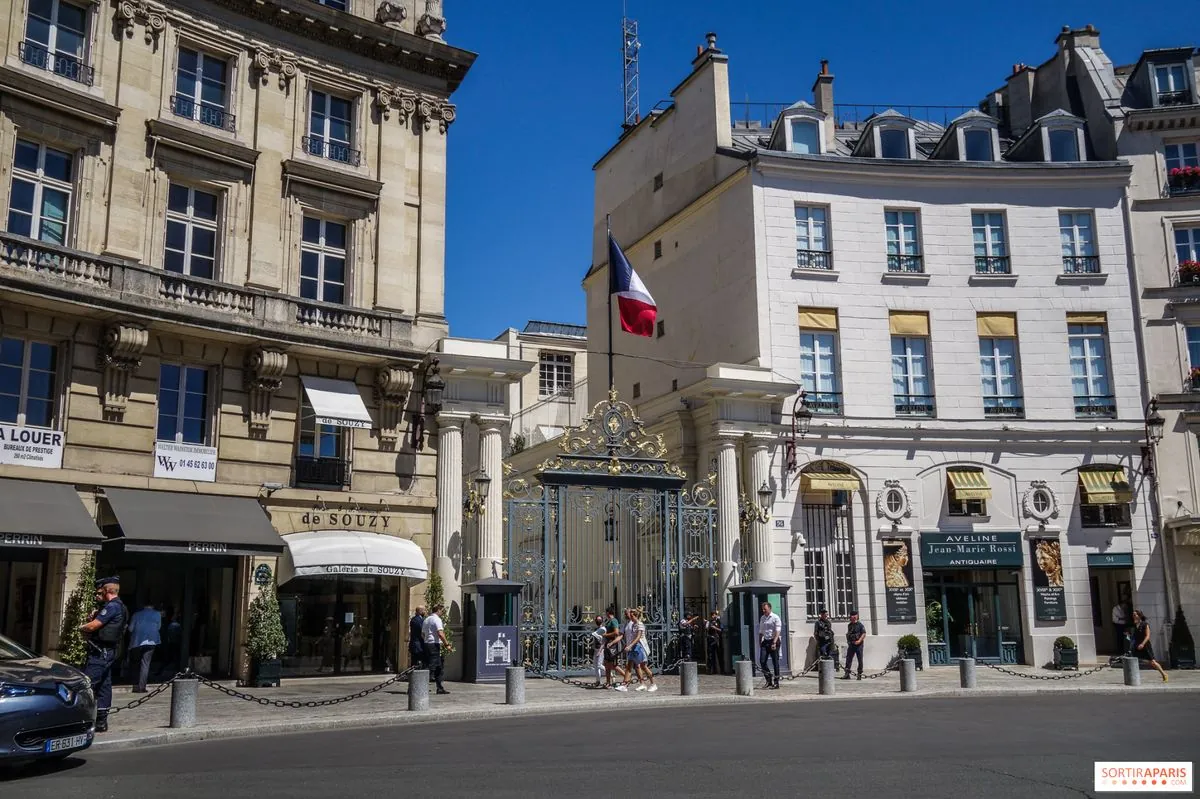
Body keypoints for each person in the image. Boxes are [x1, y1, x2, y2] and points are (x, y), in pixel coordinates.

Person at [79, 577, 128, 733]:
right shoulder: (120, 606)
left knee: (87, 684)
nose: (97, 595)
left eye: (99, 591)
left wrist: (81, 627)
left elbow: (94, 626)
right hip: (108, 651)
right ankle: (101, 721)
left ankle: (80, 719)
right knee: (104, 686)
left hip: (100, 653)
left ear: (107, 590)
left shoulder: (112, 607)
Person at [126, 601, 161, 693]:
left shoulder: (136, 614)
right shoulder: (157, 614)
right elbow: (158, 627)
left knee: (135, 662)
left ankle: (133, 681)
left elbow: (130, 629)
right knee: (145, 664)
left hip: (137, 641)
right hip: (151, 641)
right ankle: (142, 686)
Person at [621, 609, 657, 692]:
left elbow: (638, 637)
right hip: (634, 648)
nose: (631, 617)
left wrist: (630, 645)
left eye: (632, 616)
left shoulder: (640, 624)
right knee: (629, 665)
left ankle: (653, 684)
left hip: (640, 648)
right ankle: (628, 685)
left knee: (643, 666)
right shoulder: (634, 624)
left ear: (636, 616)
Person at [1131, 609, 1167, 682]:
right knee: (1134, 659)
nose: (1134, 616)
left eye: (1135, 615)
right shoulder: (1135, 625)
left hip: (1145, 646)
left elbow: (1147, 636)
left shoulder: (1144, 624)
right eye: (1133, 615)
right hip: (1137, 645)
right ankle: (1134, 677)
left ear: (1139, 616)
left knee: (1153, 662)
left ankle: (1164, 674)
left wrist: (1142, 644)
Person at [422, 604, 450, 694]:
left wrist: (427, 640)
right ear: (438, 610)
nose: (442, 613)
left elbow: (422, 634)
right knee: (432, 666)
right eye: (442, 611)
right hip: (434, 645)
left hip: (427, 644)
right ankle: (422, 687)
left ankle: (439, 687)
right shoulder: (436, 619)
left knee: (437, 666)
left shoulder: (426, 619)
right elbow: (440, 633)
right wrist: (447, 644)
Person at [758, 601, 782, 689]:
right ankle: (768, 680)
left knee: (775, 662)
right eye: (763, 609)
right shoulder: (762, 618)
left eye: (765, 609)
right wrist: (760, 641)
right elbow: (761, 631)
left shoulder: (775, 617)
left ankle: (776, 682)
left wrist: (774, 642)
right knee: (762, 661)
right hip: (766, 641)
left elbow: (777, 631)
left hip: (774, 640)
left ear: (770, 609)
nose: (764, 611)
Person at [603, 609, 627, 690]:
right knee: (607, 664)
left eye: (606, 613)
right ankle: (608, 682)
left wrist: (606, 635)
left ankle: (626, 677)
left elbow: (616, 632)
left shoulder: (614, 621)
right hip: (608, 644)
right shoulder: (609, 621)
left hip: (612, 644)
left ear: (608, 613)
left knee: (613, 665)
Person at [843, 609, 866, 680]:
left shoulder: (860, 625)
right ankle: (847, 674)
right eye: (852, 616)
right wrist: (848, 641)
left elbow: (864, 634)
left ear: (857, 616)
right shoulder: (849, 625)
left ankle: (859, 674)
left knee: (860, 659)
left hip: (859, 644)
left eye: (855, 616)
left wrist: (859, 641)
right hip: (852, 644)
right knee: (848, 659)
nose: (853, 617)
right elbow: (848, 634)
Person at [705, 611, 724, 675]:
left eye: (714, 615)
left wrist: (715, 628)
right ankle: (711, 670)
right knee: (710, 655)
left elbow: (721, 629)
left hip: (717, 639)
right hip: (711, 639)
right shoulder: (709, 622)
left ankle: (721, 670)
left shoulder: (719, 621)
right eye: (712, 615)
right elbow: (707, 628)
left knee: (719, 654)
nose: (713, 616)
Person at [590, 615, 607, 687]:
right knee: (596, 666)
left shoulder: (603, 629)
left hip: (601, 649)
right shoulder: (597, 628)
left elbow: (602, 640)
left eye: (599, 620)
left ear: (602, 621)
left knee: (599, 665)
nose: (598, 621)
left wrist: (600, 650)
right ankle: (598, 681)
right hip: (596, 648)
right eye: (597, 620)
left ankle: (611, 674)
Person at [409, 605, 427, 670]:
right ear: (420, 611)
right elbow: (422, 631)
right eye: (424, 610)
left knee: (416, 662)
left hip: (417, 645)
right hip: (417, 645)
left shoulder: (418, 619)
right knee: (416, 663)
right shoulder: (416, 620)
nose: (425, 612)